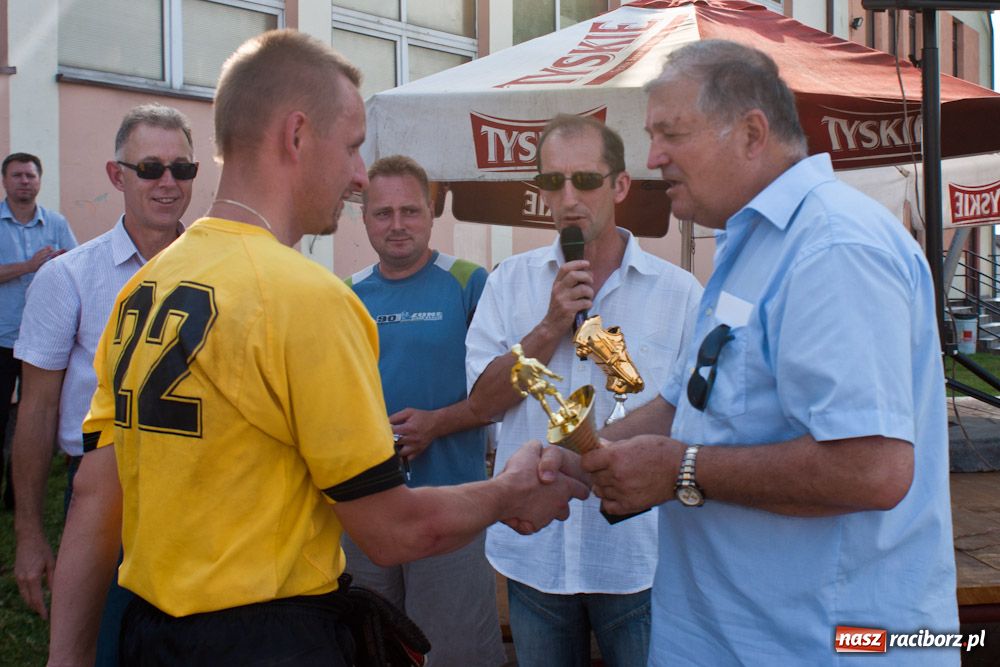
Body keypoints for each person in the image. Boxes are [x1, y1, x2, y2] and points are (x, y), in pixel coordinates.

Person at [46, 29, 587, 667]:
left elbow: (95, 493)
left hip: (152, 637)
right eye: (353, 146)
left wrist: (66, 657)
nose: (359, 175)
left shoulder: (144, 287)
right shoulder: (309, 297)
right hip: (269, 640)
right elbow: (392, 530)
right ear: (297, 135)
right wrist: (508, 490)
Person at [583, 40, 959, 665]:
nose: (653, 158)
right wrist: (577, 462)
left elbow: (872, 469)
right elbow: (685, 405)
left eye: (671, 133)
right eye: (652, 136)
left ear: (752, 134)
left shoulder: (833, 249)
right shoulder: (752, 242)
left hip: (822, 643)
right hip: (737, 636)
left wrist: (682, 471)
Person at [465, 114, 703, 666]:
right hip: (536, 555)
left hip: (637, 558)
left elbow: (693, 412)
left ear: (619, 186)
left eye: (587, 180)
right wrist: (549, 326)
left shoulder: (679, 293)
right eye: (554, 181)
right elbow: (482, 403)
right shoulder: (509, 282)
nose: (569, 198)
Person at [13, 105, 195, 665]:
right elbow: (37, 410)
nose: (168, 183)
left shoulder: (222, 271)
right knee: (100, 650)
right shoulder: (68, 276)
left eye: (182, 169)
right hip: (103, 490)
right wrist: (29, 532)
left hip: (202, 488)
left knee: (198, 645)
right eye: (151, 168)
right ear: (117, 175)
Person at [343, 154, 505, 666]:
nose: (397, 225)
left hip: (451, 508)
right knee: (371, 649)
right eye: (383, 213)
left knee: (455, 654)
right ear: (364, 218)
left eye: (409, 211)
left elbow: (505, 390)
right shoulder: (345, 295)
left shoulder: (470, 282)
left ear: (431, 213)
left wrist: (438, 424)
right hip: (366, 510)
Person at [0, 153, 76, 508]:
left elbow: (76, 265)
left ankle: (18, 498)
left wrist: (60, 265)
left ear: (39, 181)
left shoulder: (56, 223)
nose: (24, 181)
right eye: (17, 175)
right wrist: (28, 266)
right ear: (5, 181)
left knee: (36, 418)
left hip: (45, 342)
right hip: (3, 338)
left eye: (30, 176)